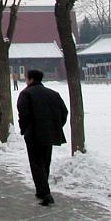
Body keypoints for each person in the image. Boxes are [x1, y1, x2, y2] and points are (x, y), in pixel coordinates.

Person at [17, 68, 69, 206]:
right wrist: (56, 126)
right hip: (49, 133)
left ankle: (44, 193)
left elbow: (23, 114)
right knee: (45, 162)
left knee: (36, 164)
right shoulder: (53, 94)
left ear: (30, 79)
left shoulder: (26, 94)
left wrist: (25, 129)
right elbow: (64, 112)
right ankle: (42, 190)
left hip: (33, 134)